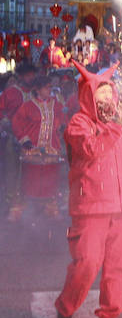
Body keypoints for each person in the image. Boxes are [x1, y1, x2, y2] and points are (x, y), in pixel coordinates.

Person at [55, 62, 122, 318]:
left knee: (118, 267)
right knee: (87, 263)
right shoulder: (79, 123)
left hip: (121, 210)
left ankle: (108, 317)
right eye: (101, 92)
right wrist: (116, 125)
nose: (108, 97)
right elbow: (91, 150)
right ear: (88, 96)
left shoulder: (117, 126)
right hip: (91, 208)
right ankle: (65, 308)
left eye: (109, 92)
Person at [8, 75, 66, 221]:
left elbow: (63, 120)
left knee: (51, 181)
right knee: (28, 181)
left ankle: (51, 208)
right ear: (38, 90)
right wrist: (24, 139)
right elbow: (16, 123)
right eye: (47, 88)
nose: (50, 90)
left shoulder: (56, 104)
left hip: (52, 150)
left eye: (50, 87)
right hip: (32, 150)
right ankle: (20, 210)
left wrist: (62, 127)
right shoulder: (27, 106)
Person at [0, 62, 36, 215]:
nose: (31, 77)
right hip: (13, 139)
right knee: (13, 170)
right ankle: (11, 203)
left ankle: (29, 200)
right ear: (21, 76)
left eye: (32, 75)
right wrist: (5, 121)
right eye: (28, 75)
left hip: (33, 140)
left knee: (31, 172)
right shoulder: (10, 93)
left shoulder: (38, 92)